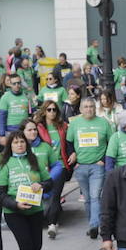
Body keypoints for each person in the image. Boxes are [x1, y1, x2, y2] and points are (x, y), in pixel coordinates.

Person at [0, 130, 49, 250]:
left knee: (37, 246)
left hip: (35, 210)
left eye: (22, 142)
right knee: (25, 245)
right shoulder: (6, 165)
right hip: (14, 212)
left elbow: (50, 182)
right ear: (10, 146)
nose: (19, 145)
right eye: (15, 142)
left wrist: (41, 185)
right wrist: (16, 204)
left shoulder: (35, 161)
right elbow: (0, 194)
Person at [66, 96, 111, 239]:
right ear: (80, 109)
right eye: (85, 107)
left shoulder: (103, 123)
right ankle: (92, 224)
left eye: (91, 106)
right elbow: (68, 142)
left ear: (95, 108)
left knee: (95, 196)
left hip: (97, 166)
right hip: (81, 166)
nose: (89, 109)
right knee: (87, 199)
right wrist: (73, 156)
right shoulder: (75, 123)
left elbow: (111, 143)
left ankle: (94, 225)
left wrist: (103, 160)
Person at [32, 101, 72, 239]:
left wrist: (73, 154)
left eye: (54, 109)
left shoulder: (63, 126)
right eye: (49, 110)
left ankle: (52, 224)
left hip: (59, 165)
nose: (52, 112)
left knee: (55, 195)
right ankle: (41, 218)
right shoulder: (38, 127)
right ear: (44, 111)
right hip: (43, 165)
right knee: (43, 195)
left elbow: (70, 142)